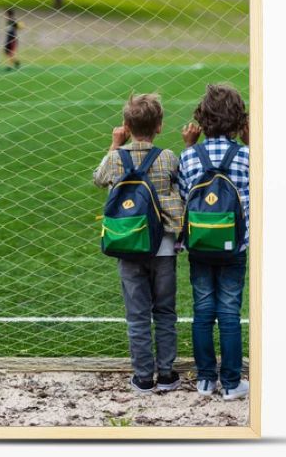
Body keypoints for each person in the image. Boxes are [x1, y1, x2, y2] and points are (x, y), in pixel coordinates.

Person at [93, 94, 183, 394]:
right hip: (164, 248)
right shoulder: (168, 157)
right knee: (166, 312)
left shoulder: (116, 159)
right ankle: (167, 374)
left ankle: (143, 376)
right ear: (159, 126)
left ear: (126, 126)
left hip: (129, 244)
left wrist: (115, 145)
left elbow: (99, 177)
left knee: (137, 315)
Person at [178, 84, 250, 401]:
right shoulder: (249, 156)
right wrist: (252, 143)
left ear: (201, 120)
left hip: (200, 245)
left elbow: (182, 197)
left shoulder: (189, 156)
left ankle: (206, 380)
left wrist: (190, 146)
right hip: (235, 247)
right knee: (230, 311)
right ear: (239, 122)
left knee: (203, 310)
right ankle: (232, 383)